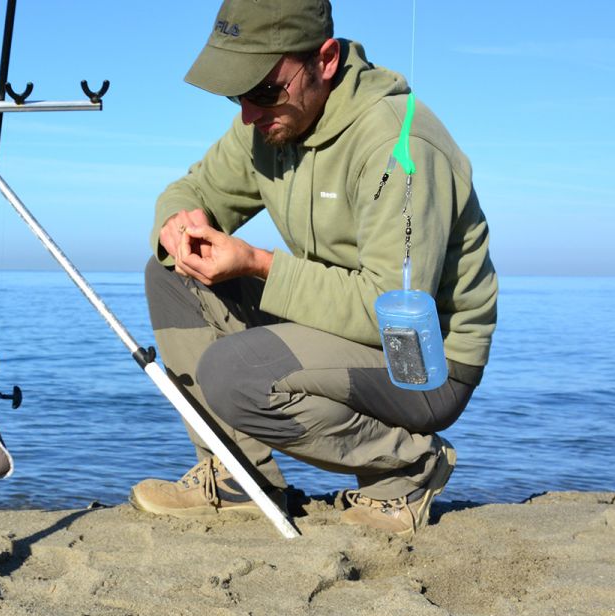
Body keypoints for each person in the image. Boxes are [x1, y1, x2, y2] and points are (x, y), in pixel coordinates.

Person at [129, 0, 497, 536]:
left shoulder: (398, 146)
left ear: (325, 61)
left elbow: (391, 316)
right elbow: (193, 190)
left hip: (423, 359)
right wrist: (174, 226)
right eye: (238, 94)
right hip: (345, 327)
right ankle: (240, 478)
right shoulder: (271, 121)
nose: (249, 113)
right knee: (169, 272)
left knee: (234, 374)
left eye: (262, 91)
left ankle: (410, 468)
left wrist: (257, 264)